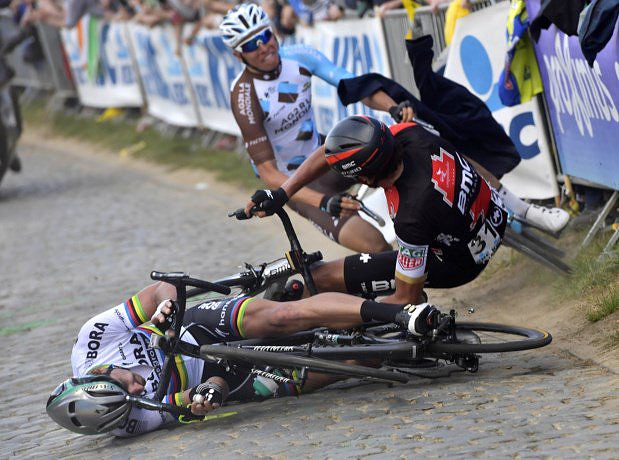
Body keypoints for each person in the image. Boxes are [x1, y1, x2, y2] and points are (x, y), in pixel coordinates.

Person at [46, 279, 442, 436]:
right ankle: (395, 354)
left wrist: (164, 309)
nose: (138, 387)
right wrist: (208, 395)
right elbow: (183, 405)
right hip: (217, 375)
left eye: (127, 382)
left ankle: (399, 313)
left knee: (283, 316)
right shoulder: (126, 421)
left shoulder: (93, 340)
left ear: (98, 371)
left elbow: (159, 289)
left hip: (196, 329)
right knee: (336, 370)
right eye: (133, 396)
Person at [246, 116, 514, 304]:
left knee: (323, 279)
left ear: (364, 180)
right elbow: (329, 152)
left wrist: (350, 314)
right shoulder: (411, 134)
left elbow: (405, 297)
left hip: (457, 265)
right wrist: (283, 193)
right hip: (494, 215)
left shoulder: (410, 215)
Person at [219, 3, 414, 253]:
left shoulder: (299, 55)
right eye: (250, 45)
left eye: (265, 36)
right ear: (238, 55)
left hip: (323, 156)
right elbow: (268, 172)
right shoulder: (244, 95)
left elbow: (352, 85)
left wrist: (393, 108)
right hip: (295, 183)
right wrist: (323, 202)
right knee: (376, 246)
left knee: (401, 160)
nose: (262, 46)